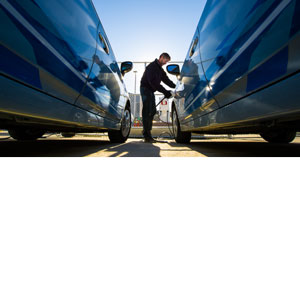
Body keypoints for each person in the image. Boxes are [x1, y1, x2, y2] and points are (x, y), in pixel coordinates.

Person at [140, 53, 176, 142]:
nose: (165, 63)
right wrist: (165, 92)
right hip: (145, 89)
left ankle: (147, 133)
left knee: (152, 111)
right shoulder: (152, 67)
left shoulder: (160, 69)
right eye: (165, 60)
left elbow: (166, 80)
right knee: (147, 110)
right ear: (161, 57)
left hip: (151, 90)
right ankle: (146, 135)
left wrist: (176, 86)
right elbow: (153, 82)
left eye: (167, 61)